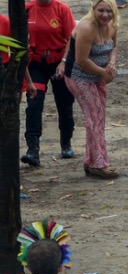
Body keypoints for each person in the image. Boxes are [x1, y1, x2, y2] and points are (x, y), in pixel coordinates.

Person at [65, 0, 119, 179]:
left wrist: (111, 63)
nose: (105, 15)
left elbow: (114, 47)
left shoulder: (112, 25)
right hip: (78, 76)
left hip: (98, 76)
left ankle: (90, 160)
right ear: (93, 10)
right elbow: (81, 60)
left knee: (98, 117)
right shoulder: (87, 28)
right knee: (94, 118)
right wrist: (104, 73)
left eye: (109, 11)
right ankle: (99, 163)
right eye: (101, 11)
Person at [21, 0, 76, 168]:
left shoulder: (61, 9)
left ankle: (66, 143)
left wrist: (64, 62)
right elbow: (20, 38)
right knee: (34, 104)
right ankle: (33, 150)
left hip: (59, 60)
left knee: (64, 103)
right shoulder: (28, 9)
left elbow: (71, 38)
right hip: (37, 63)